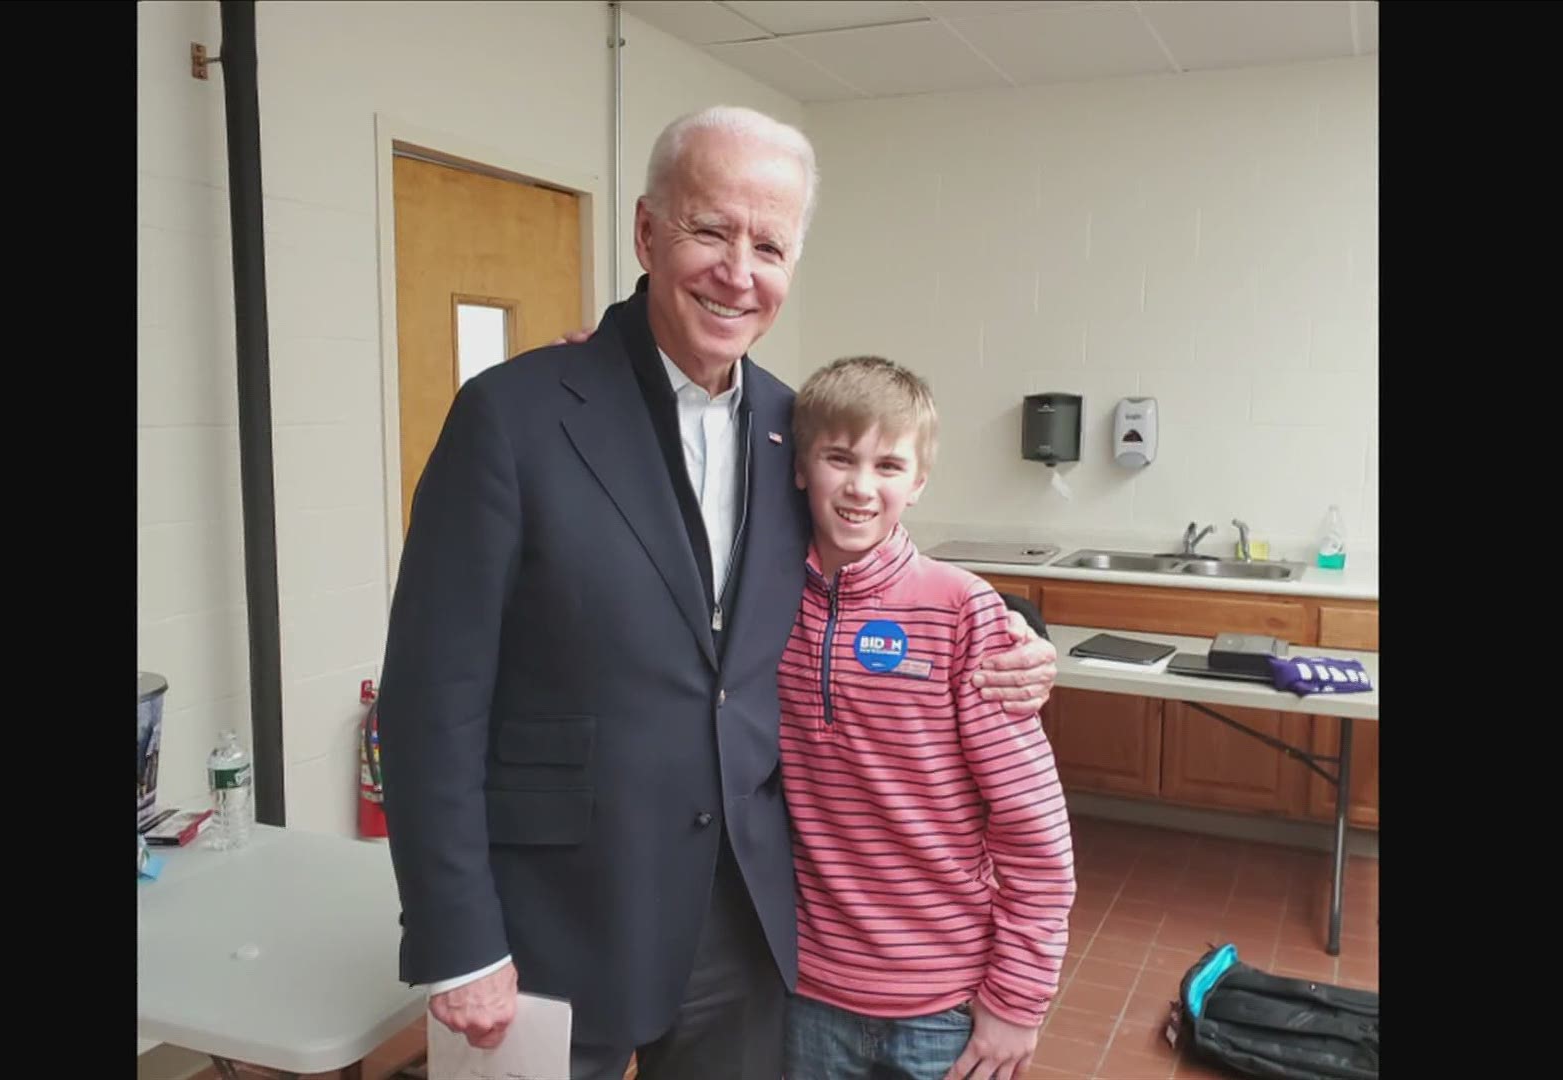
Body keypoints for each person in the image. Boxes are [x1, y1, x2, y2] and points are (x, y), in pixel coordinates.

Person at [375, 105, 1061, 1080]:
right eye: (710, 230)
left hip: (738, 928)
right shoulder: (512, 416)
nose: (739, 271)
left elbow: (873, 570)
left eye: (769, 245)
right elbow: (428, 697)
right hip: (548, 925)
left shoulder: (797, 431)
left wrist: (1017, 634)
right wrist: (460, 938)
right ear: (649, 233)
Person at [777, 355, 1075, 1080]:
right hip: (805, 995)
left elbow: (1034, 834)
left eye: (888, 465)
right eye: (839, 458)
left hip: (943, 1007)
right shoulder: (761, 603)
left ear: (918, 482)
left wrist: (1019, 999)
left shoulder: (962, 612)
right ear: (799, 468)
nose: (859, 486)